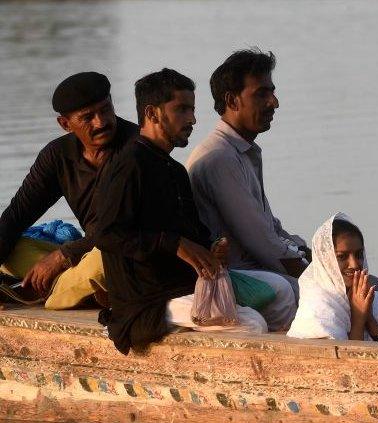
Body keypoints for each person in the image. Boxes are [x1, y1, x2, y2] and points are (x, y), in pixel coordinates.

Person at [95, 68, 268, 355]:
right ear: (152, 113)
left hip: (185, 288)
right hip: (147, 303)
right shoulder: (129, 166)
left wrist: (211, 249)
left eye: (192, 110)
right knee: (252, 324)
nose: (192, 119)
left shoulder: (174, 170)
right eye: (182, 110)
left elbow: (191, 233)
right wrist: (173, 244)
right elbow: (108, 234)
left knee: (283, 295)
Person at [0, 72, 139, 309]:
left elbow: (122, 228)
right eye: (88, 117)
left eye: (106, 109)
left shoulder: (138, 149)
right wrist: (63, 257)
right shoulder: (57, 156)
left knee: (103, 262)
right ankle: (75, 289)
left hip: (124, 253)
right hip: (83, 256)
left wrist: (62, 256)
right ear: (65, 124)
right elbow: (16, 216)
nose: (101, 122)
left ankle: (45, 293)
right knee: (13, 248)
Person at [187, 48, 307, 304]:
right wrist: (313, 274)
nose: (274, 102)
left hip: (259, 268)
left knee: (367, 284)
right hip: (238, 275)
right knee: (323, 294)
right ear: (232, 101)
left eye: (272, 92)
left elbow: (270, 227)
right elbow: (262, 243)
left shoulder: (239, 150)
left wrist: (308, 251)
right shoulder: (220, 158)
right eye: (262, 94)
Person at [287, 213, 378, 343]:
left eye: (359, 254)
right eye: (342, 257)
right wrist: (359, 319)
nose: (354, 264)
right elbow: (345, 361)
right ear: (325, 260)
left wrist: (370, 319)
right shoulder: (319, 309)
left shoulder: (375, 301)